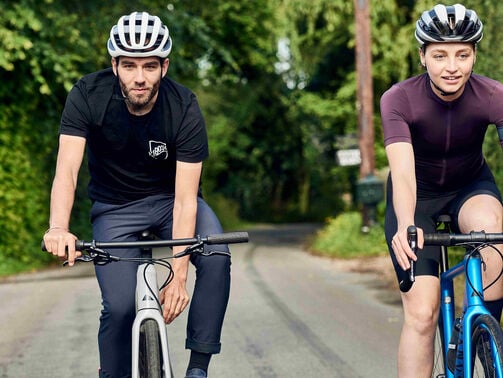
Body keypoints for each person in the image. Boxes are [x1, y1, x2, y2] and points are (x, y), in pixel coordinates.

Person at [43, 11, 231, 378]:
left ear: (164, 66)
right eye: (129, 66)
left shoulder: (184, 106)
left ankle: (198, 368)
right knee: (119, 308)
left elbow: (185, 198)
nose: (140, 77)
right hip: (114, 209)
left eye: (149, 66)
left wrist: (178, 274)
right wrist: (57, 227)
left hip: (170, 203)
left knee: (216, 256)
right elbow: (66, 169)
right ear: (114, 65)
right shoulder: (87, 95)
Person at [381, 3, 503, 377]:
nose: (452, 66)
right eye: (440, 55)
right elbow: (402, 172)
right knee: (422, 313)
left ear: (474, 56)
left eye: (462, 54)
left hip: (470, 187)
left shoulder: (493, 95)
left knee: (495, 233)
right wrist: (405, 223)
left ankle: (482, 339)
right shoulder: (399, 99)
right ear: (422, 57)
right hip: (415, 198)